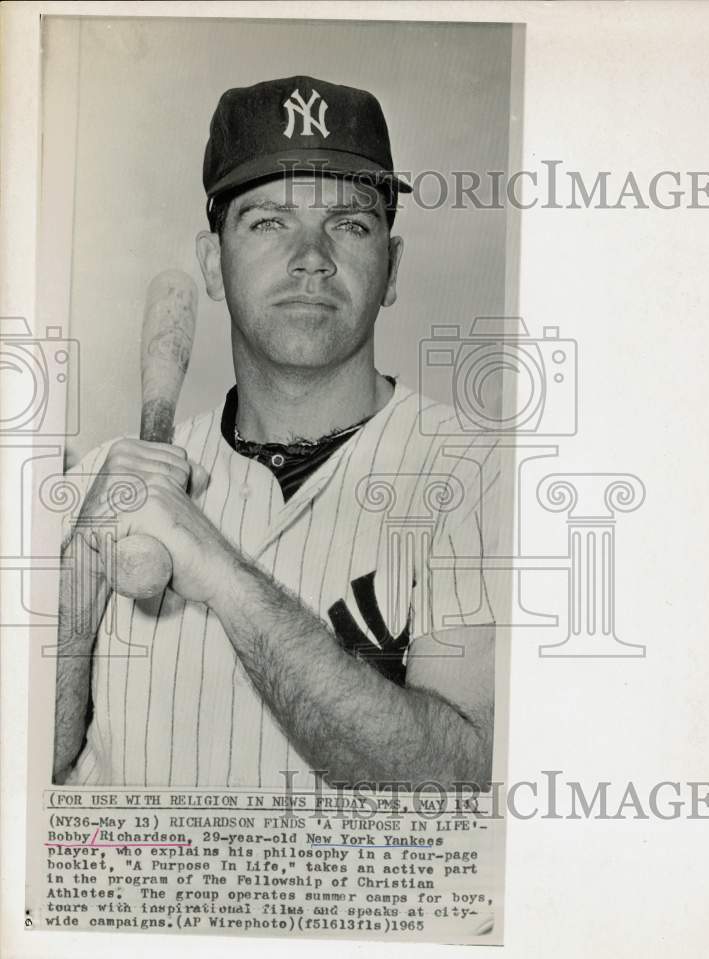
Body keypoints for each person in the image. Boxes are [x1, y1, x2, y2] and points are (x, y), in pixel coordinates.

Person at [54, 75, 500, 789]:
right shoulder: (107, 481)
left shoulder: (482, 480)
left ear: (392, 269)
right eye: (268, 221)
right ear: (211, 264)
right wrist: (79, 564)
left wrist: (222, 575)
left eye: (350, 223)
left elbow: (458, 788)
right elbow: (19, 782)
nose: (311, 258)